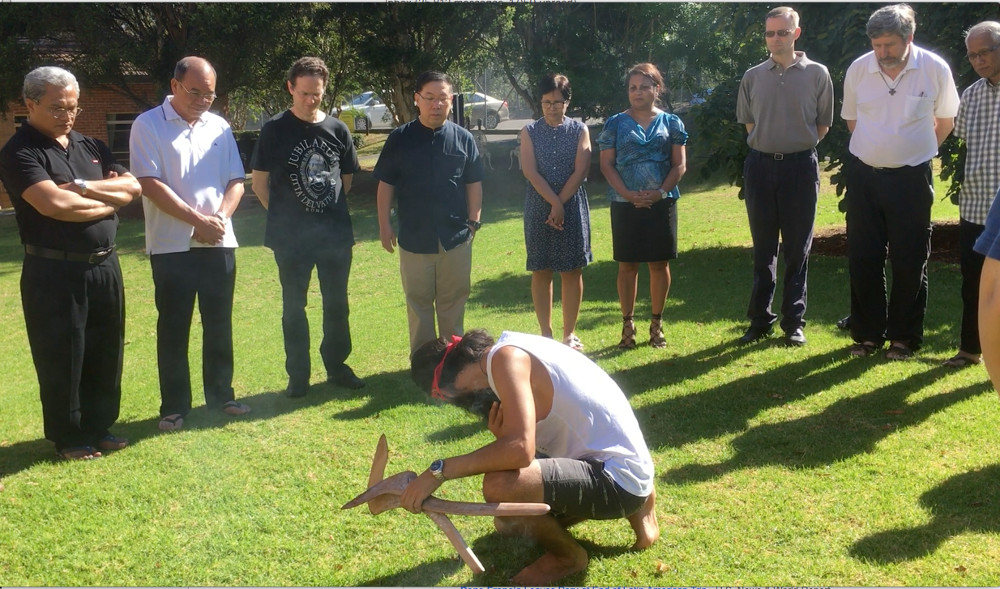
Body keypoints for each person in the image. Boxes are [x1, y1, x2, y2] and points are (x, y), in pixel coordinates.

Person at [403, 329, 658, 585]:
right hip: (627, 467)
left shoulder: (505, 360)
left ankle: (568, 557)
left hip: (616, 481)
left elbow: (520, 449)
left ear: (443, 391)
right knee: (507, 522)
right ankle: (642, 507)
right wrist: (505, 440)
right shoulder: (507, 349)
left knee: (501, 487)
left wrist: (440, 471)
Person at [0, 66, 141, 460]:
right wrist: (109, 200)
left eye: (74, 107)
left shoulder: (92, 146)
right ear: (30, 104)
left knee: (105, 349)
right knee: (63, 354)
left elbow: (132, 187)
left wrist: (83, 188)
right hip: (53, 272)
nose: (68, 115)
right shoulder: (20, 152)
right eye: (58, 107)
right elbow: (54, 205)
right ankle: (69, 436)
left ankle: (101, 426)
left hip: (104, 266)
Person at [129, 56, 251, 431]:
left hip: (219, 242)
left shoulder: (219, 126)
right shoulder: (148, 124)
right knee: (174, 326)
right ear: (175, 85)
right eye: (195, 91)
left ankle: (221, 396)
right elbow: (148, 183)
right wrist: (196, 221)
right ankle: (175, 406)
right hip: (171, 246)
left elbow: (237, 180)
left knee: (219, 324)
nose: (202, 100)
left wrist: (219, 221)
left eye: (209, 94)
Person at [841, 3, 959, 360]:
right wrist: (878, 152)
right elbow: (852, 121)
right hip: (864, 176)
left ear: (909, 37)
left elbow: (946, 120)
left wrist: (916, 153)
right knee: (863, 257)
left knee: (909, 259)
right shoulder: (859, 69)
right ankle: (868, 335)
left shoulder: (934, 68)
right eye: (877, 45)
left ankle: (904, 338)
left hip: (911, 178)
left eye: (889, 45)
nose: (882, 53)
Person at [250, 57, 365, 397]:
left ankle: (337, 366)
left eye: (317, 94)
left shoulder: (337, 129)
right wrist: (289, 216)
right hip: (291, 240)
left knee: (336, 304)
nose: (311, 100)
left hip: (334, 237)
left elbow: (346, 180)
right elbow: (259, 184)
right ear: (290, 88)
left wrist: (320, 213)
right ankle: (298, 375)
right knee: (293, 307)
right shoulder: (274, 129)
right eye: (304, 93)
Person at [736, 7, 834, 347]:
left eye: (782, 32)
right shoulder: (752, 76)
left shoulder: (818, 74)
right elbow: (750, 125)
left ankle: (794, 322)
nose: (775, 39)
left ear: (796, 33)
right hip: (760, 167)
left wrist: (793, 147)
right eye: (769, 33)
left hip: (800, 168)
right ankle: (759, 320)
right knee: (763, 248)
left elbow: (822, 126)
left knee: (797, 248)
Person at [373, 71, 484, 355]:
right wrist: (385, 225)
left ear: (451, 101)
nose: (436, 105)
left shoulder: (463, 139)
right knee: (418, 303)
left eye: (442, 99)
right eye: (430, 98)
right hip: (414, 237)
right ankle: (423, 363)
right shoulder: (400, 139)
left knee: (453, 301)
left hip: (455, 237)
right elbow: (386, 185)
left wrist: (474, 222)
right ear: (417, 99)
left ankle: (451, 361)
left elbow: (474, 183)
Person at [598, 63, 687, 349]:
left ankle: (657, 325)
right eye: (632, 87)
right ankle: (628, 326)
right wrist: (626, 193)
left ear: (656, 89)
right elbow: (606, 164)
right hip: (625, 204)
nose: (637, 93)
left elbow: (679, 164)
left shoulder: (672, 122)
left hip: (662, 202)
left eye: (644, 87)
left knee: (659, 264)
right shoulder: (614, 123)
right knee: (627, 265)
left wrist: (661, 192)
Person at [519, 74, 592, 351]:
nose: (552, 107)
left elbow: (581, 169)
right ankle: (546, 334)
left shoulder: (579, 130)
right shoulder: (529, 131)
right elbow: (530, 171)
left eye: (557, 102)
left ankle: (569, 334)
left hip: (571, 205)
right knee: (541, 269)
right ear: (540, 102)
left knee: (571, 270)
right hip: (540, 206)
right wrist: (553, 203)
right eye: (547, 102)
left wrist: (561, 203)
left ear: (567, 101)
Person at [944, 21, 1000, 368]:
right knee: (975, 285)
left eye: (985, 52)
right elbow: (963, 137)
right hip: (977, 205)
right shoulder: (972, 94)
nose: (979, 61)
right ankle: (970, 350)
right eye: (973, 55)